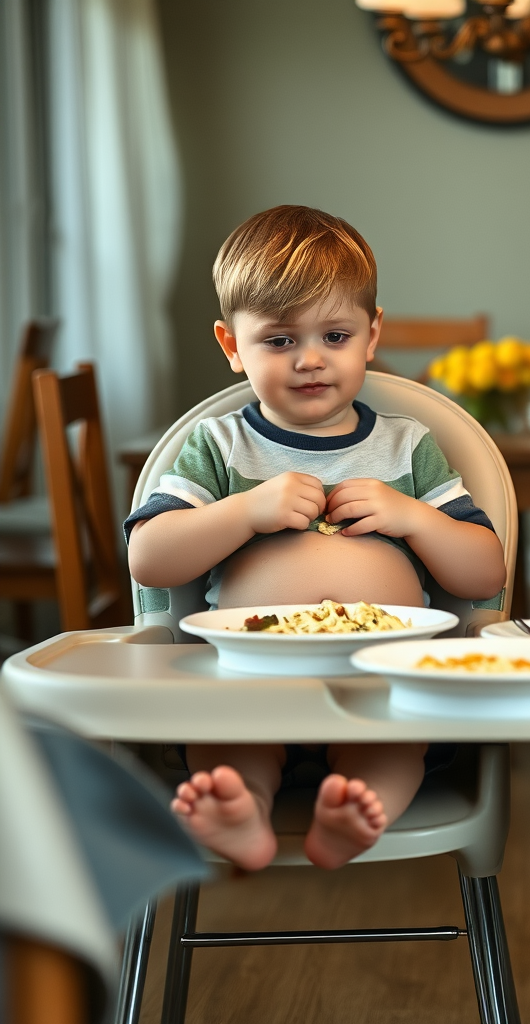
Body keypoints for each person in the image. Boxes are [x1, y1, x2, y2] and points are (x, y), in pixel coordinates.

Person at [126, 206, 507, 872]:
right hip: (249, 683)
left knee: (391, 748)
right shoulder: (219, 445)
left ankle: (357, 811)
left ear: (371, 334)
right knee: (226, 746)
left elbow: (484, 575)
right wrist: (244, 511)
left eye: (335, 335)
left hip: (382, 685)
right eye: (278, 340)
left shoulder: (408, 446)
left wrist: (414, 516)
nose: (309, 359)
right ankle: (242, 810)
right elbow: (149, 560)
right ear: (231, 346)